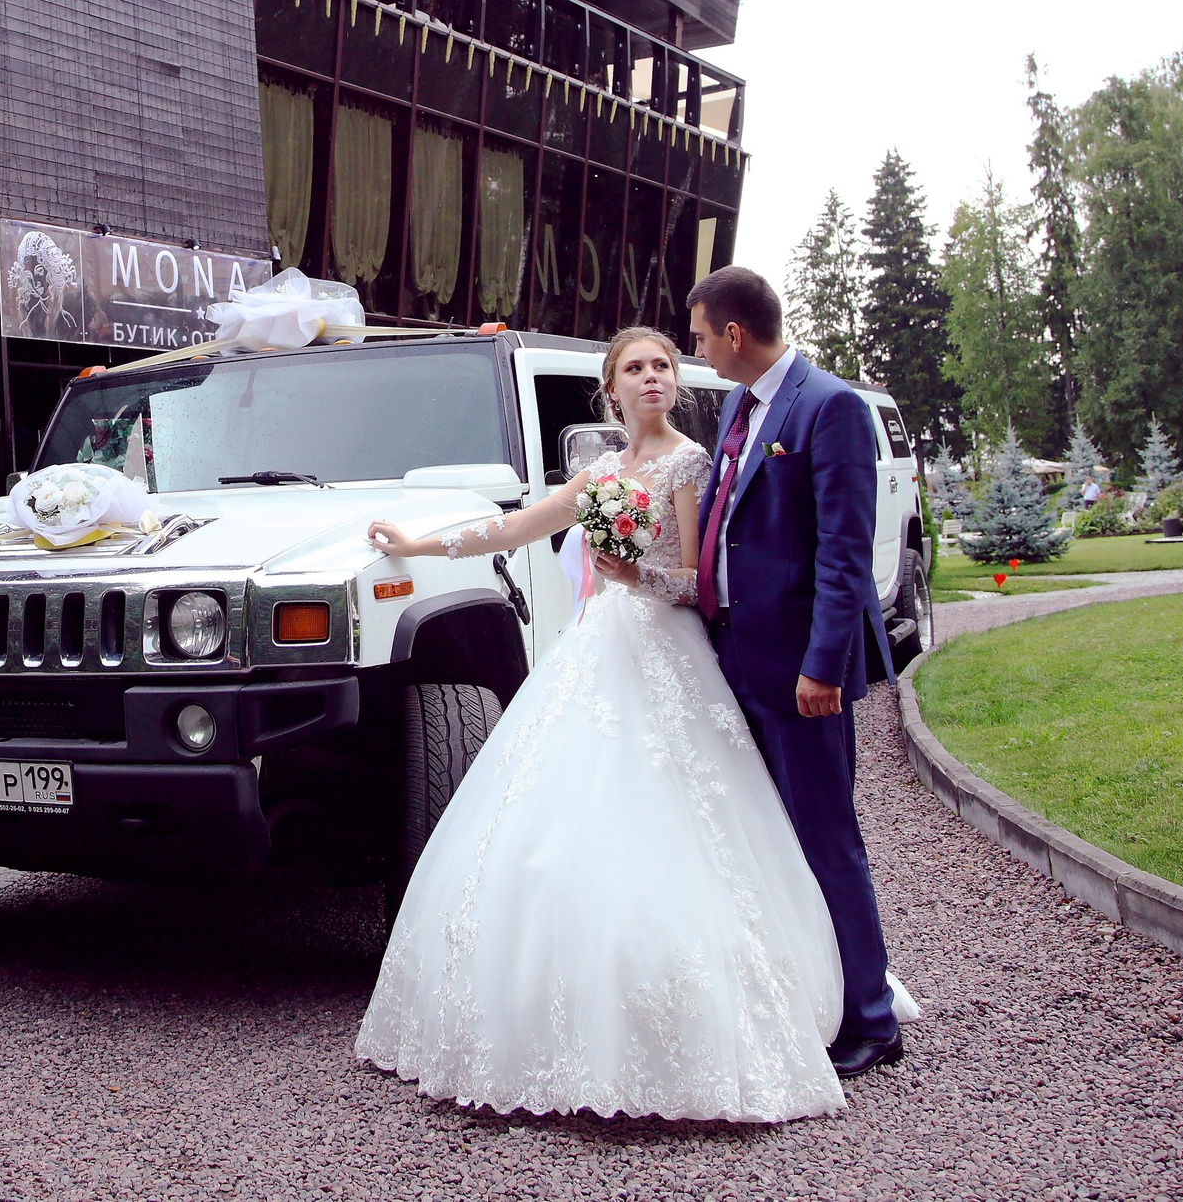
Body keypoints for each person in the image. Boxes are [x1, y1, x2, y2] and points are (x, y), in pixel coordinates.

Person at [354, 326, 896, 1122]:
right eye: (636, 368)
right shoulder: (601, 470)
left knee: (694, 817)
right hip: (597, 648)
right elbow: (512, 528)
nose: (653, 377)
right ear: (610, 390)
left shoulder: (689, 462)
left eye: (665, 365)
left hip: (669, 651)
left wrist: (635, 572)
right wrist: (418, 543)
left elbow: (700, 582)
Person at [686, 266, 905, 1079]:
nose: (696, 349)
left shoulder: (830, 406)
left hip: (800, 671)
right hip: (736, 653)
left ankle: (872, 1019)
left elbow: (845, 556)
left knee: (824, 836)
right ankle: (803, 997)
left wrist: (824, 667)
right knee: (765, 839)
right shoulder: (742, 409)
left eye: (701, 334)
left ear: (735, 334)